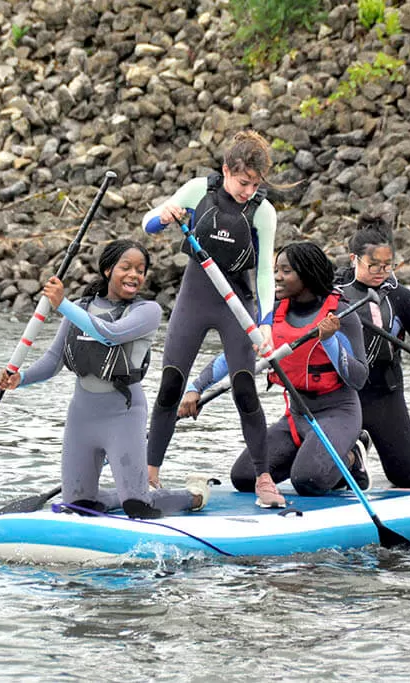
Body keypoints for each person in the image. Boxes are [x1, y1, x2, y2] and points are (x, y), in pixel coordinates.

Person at [0, 239, 210, 519]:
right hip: (82, 417)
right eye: (126, 267)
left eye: (140, 270)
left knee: (139, 507)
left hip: (123, 416)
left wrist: (62, 304)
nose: (134, 275)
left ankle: (194, 495)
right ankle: (119, 495)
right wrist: (20, 378)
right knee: (79, 505)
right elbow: (53, 360)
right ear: (108, 270)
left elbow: (111, 334)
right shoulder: (80, 307)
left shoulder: (147, 311)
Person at [141, 130, 284, 507]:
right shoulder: (198, 191)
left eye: (255, 184)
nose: (248, 191)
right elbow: (147, 223)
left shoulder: (263, 212)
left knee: (244, 390)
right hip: (195, 298)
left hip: (237, 305)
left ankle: (264, 478)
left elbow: (265, 272)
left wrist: (265, 322)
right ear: (225, 171)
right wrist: (163, 217)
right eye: (242, 182)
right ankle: (149, 476)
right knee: (171, 385)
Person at [179, 242, 371, 497]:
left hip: (338, 413)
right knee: (245, 477)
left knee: (308, 481)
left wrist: (329, 341)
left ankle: (352, 456)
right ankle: (315, 458)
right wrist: (195, 388)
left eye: (286, 271)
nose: (277, 277)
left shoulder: (342, 315)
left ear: (307, 274)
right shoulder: (270, 316)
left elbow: (358, 378)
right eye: (276, 270)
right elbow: (233, 355)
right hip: (296, 415)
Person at [334, 215, 410, 488]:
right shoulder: (334, 295)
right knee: (333, 481)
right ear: (354, 259)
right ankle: (353, 453)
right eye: (373, 265)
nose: (381, 272)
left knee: (408, 477)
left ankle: (362, 442)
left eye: (387, 265)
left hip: (385, 393)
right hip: (342, 394)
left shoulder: (400, 296)